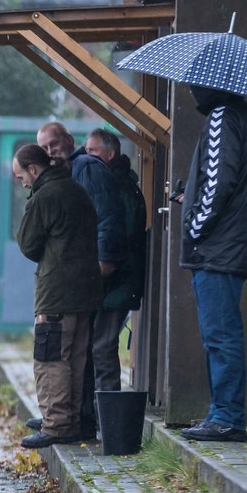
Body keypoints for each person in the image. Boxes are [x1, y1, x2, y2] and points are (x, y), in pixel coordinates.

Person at [177, 85, 247, 442]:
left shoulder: (222, 117)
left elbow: (218, 184)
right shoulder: (242, 117)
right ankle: (222, 413)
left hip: (217, 249)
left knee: (220, 335)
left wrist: (195, 227)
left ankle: (226, 416)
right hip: (230, 244)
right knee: (221, 334)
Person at [36, 121, 125, 440]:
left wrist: (104, 263)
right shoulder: (67, 172)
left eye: (54, 144)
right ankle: (80, 418)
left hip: (98, 274)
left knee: (94, 349)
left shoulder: (85, 167)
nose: (50, 152)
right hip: (81, 276)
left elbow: (107, 218)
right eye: (44, 148)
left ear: (68, 141)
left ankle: (104, 425)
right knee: (81, 350)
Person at [12, 143, 103, 449]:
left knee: (51, 358)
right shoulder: (78, 191)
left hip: (56, 291)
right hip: (86, 290)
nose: (22, 182)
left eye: (21, 176)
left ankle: (56, 424)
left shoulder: (45, 196)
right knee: (75, 359)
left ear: (33, 170)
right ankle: (69, 420)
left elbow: (27, 244)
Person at [84, 128, 148, 391]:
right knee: (98, 345)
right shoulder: (117, 183)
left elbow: (119, 234)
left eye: (93, 152)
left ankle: (107, 418)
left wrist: (103, 267)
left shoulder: (117, 187)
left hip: (116, 279)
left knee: (102, 346)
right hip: (110, 279)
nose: (87, 157)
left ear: (110, 154)